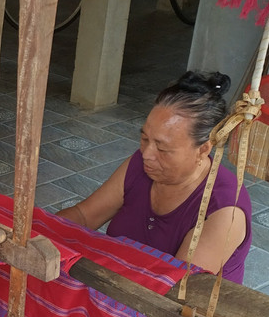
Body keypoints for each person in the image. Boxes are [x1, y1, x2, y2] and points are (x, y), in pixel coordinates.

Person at [57, 71, 252, 283]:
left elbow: (175, 290)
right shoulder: (142, 166)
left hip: (169, 308)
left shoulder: (223, 210)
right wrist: (41, 234)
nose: (147, 155)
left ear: (203, 149)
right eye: (144, 139)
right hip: (121, 287)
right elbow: (84, 216)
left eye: (163, 148)